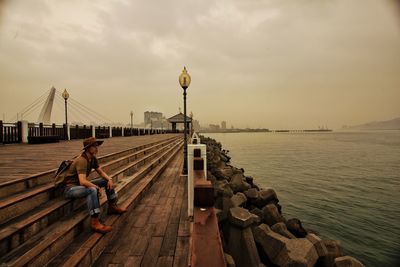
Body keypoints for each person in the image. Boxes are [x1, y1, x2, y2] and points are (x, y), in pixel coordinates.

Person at [63, 136, 127, 233]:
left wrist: (109, 179)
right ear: (88, 148)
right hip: (71, 188)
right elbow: (82, 181)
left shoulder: (92, 158)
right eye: (94, 146)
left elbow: (100, 172)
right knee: (92, 190)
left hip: (80, 186)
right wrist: (96, 187)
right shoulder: (82, 160)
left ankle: (112, 206)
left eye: (97, 146)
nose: (97, 148)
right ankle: (95, 222)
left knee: (105, 181)